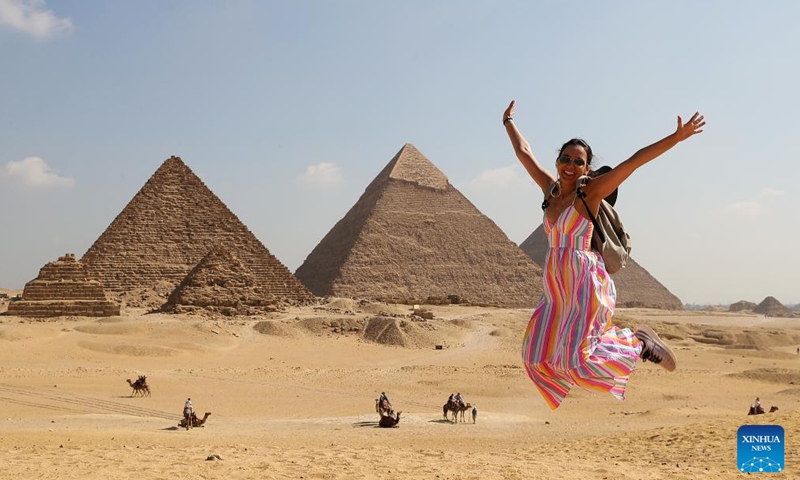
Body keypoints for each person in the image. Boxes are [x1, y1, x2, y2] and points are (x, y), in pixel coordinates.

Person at [503, 100, 705, 410]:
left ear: (587, 168)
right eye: (565, 158)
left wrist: (675, 138)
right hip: (557, 286)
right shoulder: (550, 191)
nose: (570, 166)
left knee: (579, 366)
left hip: (583, 280)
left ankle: (638, 343)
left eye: (579, 162)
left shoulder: (590, 194)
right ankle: (632, 344)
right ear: (557, 161)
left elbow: (634, 161)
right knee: (534, 355)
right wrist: (508, 122)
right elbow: (524, 153)